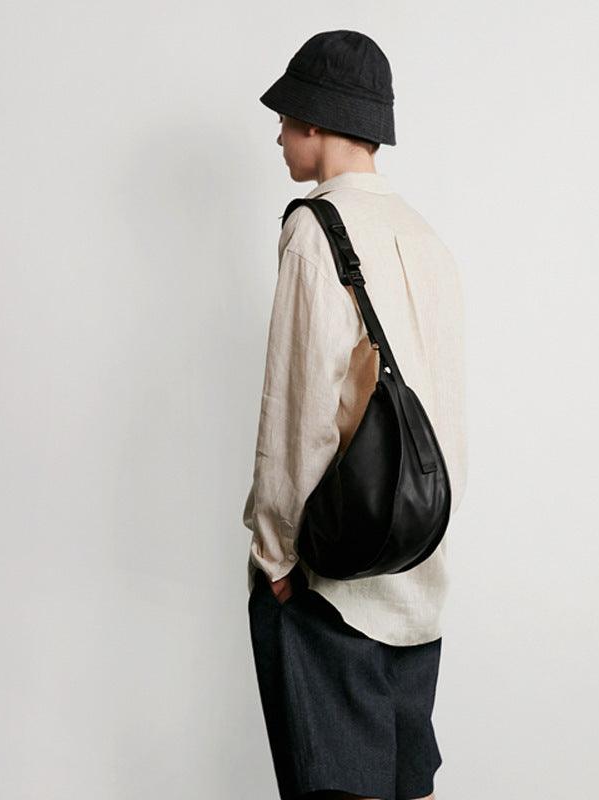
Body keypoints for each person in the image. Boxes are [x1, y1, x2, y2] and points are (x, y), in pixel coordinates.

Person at [243, 29, 468, 800]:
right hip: (418, 569)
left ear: (315, 118)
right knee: (408, 786)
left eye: (285, 118)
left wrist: (274, 555)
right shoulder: (426, 237)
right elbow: (445, 414)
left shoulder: (315, 231)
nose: (279, 135)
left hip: (333, 579)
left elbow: (295, 410)